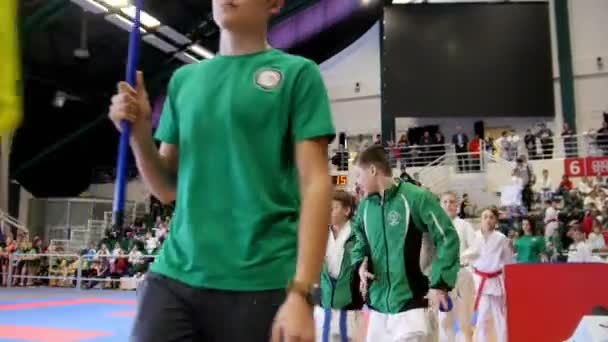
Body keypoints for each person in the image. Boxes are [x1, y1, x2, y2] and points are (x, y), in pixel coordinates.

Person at [108, 0, 336, 340]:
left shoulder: (298, 74)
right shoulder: (184, 81)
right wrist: (140, 131)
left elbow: (316, 182)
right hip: (176, 275)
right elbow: (167, 188)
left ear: (274, 3)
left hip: (262, 281)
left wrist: (302, 292)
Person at [351, 145, 460, 342]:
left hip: (412, 305)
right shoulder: (365, 208)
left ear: (373, 170)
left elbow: (447, 238)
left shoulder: (417, 198)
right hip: (378, 309)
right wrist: (360, 263)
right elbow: (358, 240)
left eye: (358, 175)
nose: (356, 182)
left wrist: (439, 284)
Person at [315, 190, 364, 342]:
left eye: (333, 208)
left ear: (347, 210)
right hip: (325, 302)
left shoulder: (359, 233)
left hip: (351, 303)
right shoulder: (320, 232)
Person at [468, 207, 513, 342]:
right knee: (482, 318)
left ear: (496, 221)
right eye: (485, 217)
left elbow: (508, 260)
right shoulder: (474, 236)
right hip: (479, 281)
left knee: (500, 318)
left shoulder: (501, 238)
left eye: (491, 217)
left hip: (495, 282)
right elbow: (469, 259)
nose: (488, 220)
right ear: (480, 220)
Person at [438, 192, 477, 342]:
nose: (448, 205)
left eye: (452, 202)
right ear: (440, 205)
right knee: (444, 319)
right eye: (445, 202)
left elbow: (475, 248)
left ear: (457, 206)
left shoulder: (465, 225)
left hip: (462, 274)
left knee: (464, 320)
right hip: (441, 278)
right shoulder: (434, 227)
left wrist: (459, 259)